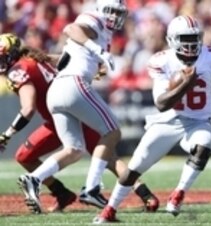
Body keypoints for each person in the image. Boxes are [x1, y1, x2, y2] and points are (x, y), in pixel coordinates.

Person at [93, 15, 211, 223]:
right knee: (134, 168)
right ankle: (109, 210)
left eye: (194, 37)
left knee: (206, 141)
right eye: (184, 38)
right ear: (173, 39)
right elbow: (162, 103)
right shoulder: (162, 61)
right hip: (167, 120)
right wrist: (185, 83)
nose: (191, 43)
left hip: (198, 122)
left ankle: (179, 193)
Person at [16, 0, 158, 214]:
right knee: (112, 132)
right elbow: (71, 28)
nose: (113, 17)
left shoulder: (104, 32)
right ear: (100, 9)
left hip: (59, 89)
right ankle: (91, 188)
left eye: (118, 13)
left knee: (74, 149)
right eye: (110, 11)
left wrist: (93, 65)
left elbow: (64, 59)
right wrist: (97, 50)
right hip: (74, 84)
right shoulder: (94, 19)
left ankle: (34, 179)